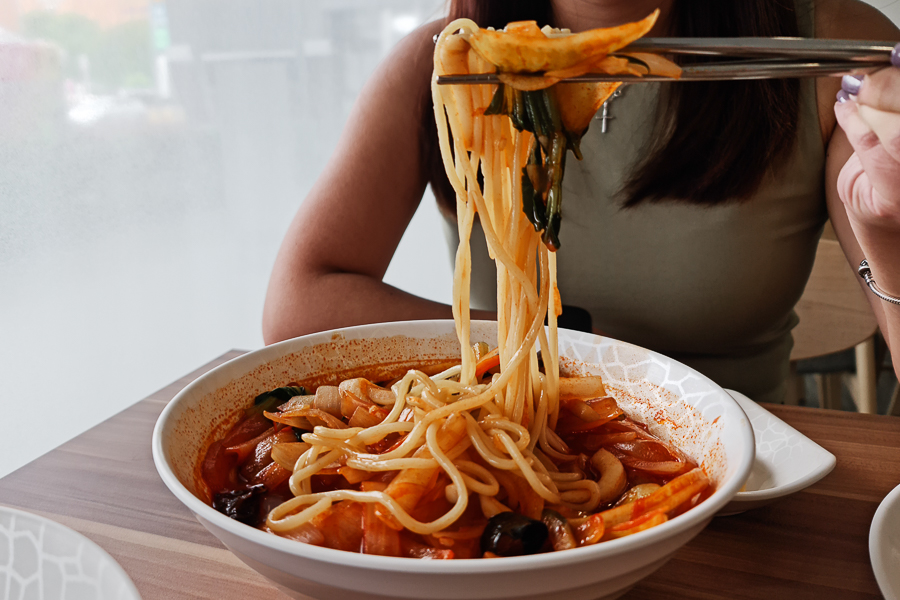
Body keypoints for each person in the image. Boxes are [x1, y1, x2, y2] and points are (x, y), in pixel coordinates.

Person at [262, 0, 900, 404]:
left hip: (753, 476)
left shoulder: (836, 54)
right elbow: (301, 300)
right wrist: (564, 347)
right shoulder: (448, 65)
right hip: (527, 442)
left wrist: (886, 223)